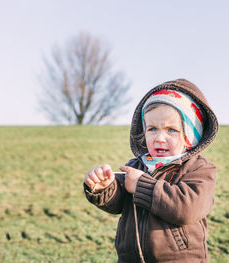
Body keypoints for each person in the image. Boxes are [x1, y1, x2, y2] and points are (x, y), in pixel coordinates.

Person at [84, 78, 219, 262]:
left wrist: (141, 185)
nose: (159, 138)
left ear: (191, 136)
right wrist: (104, 188)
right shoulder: (137, 165)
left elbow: (187, 208)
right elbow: (118, 203)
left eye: (171, 130)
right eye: (152, 129)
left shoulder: (199, 169)